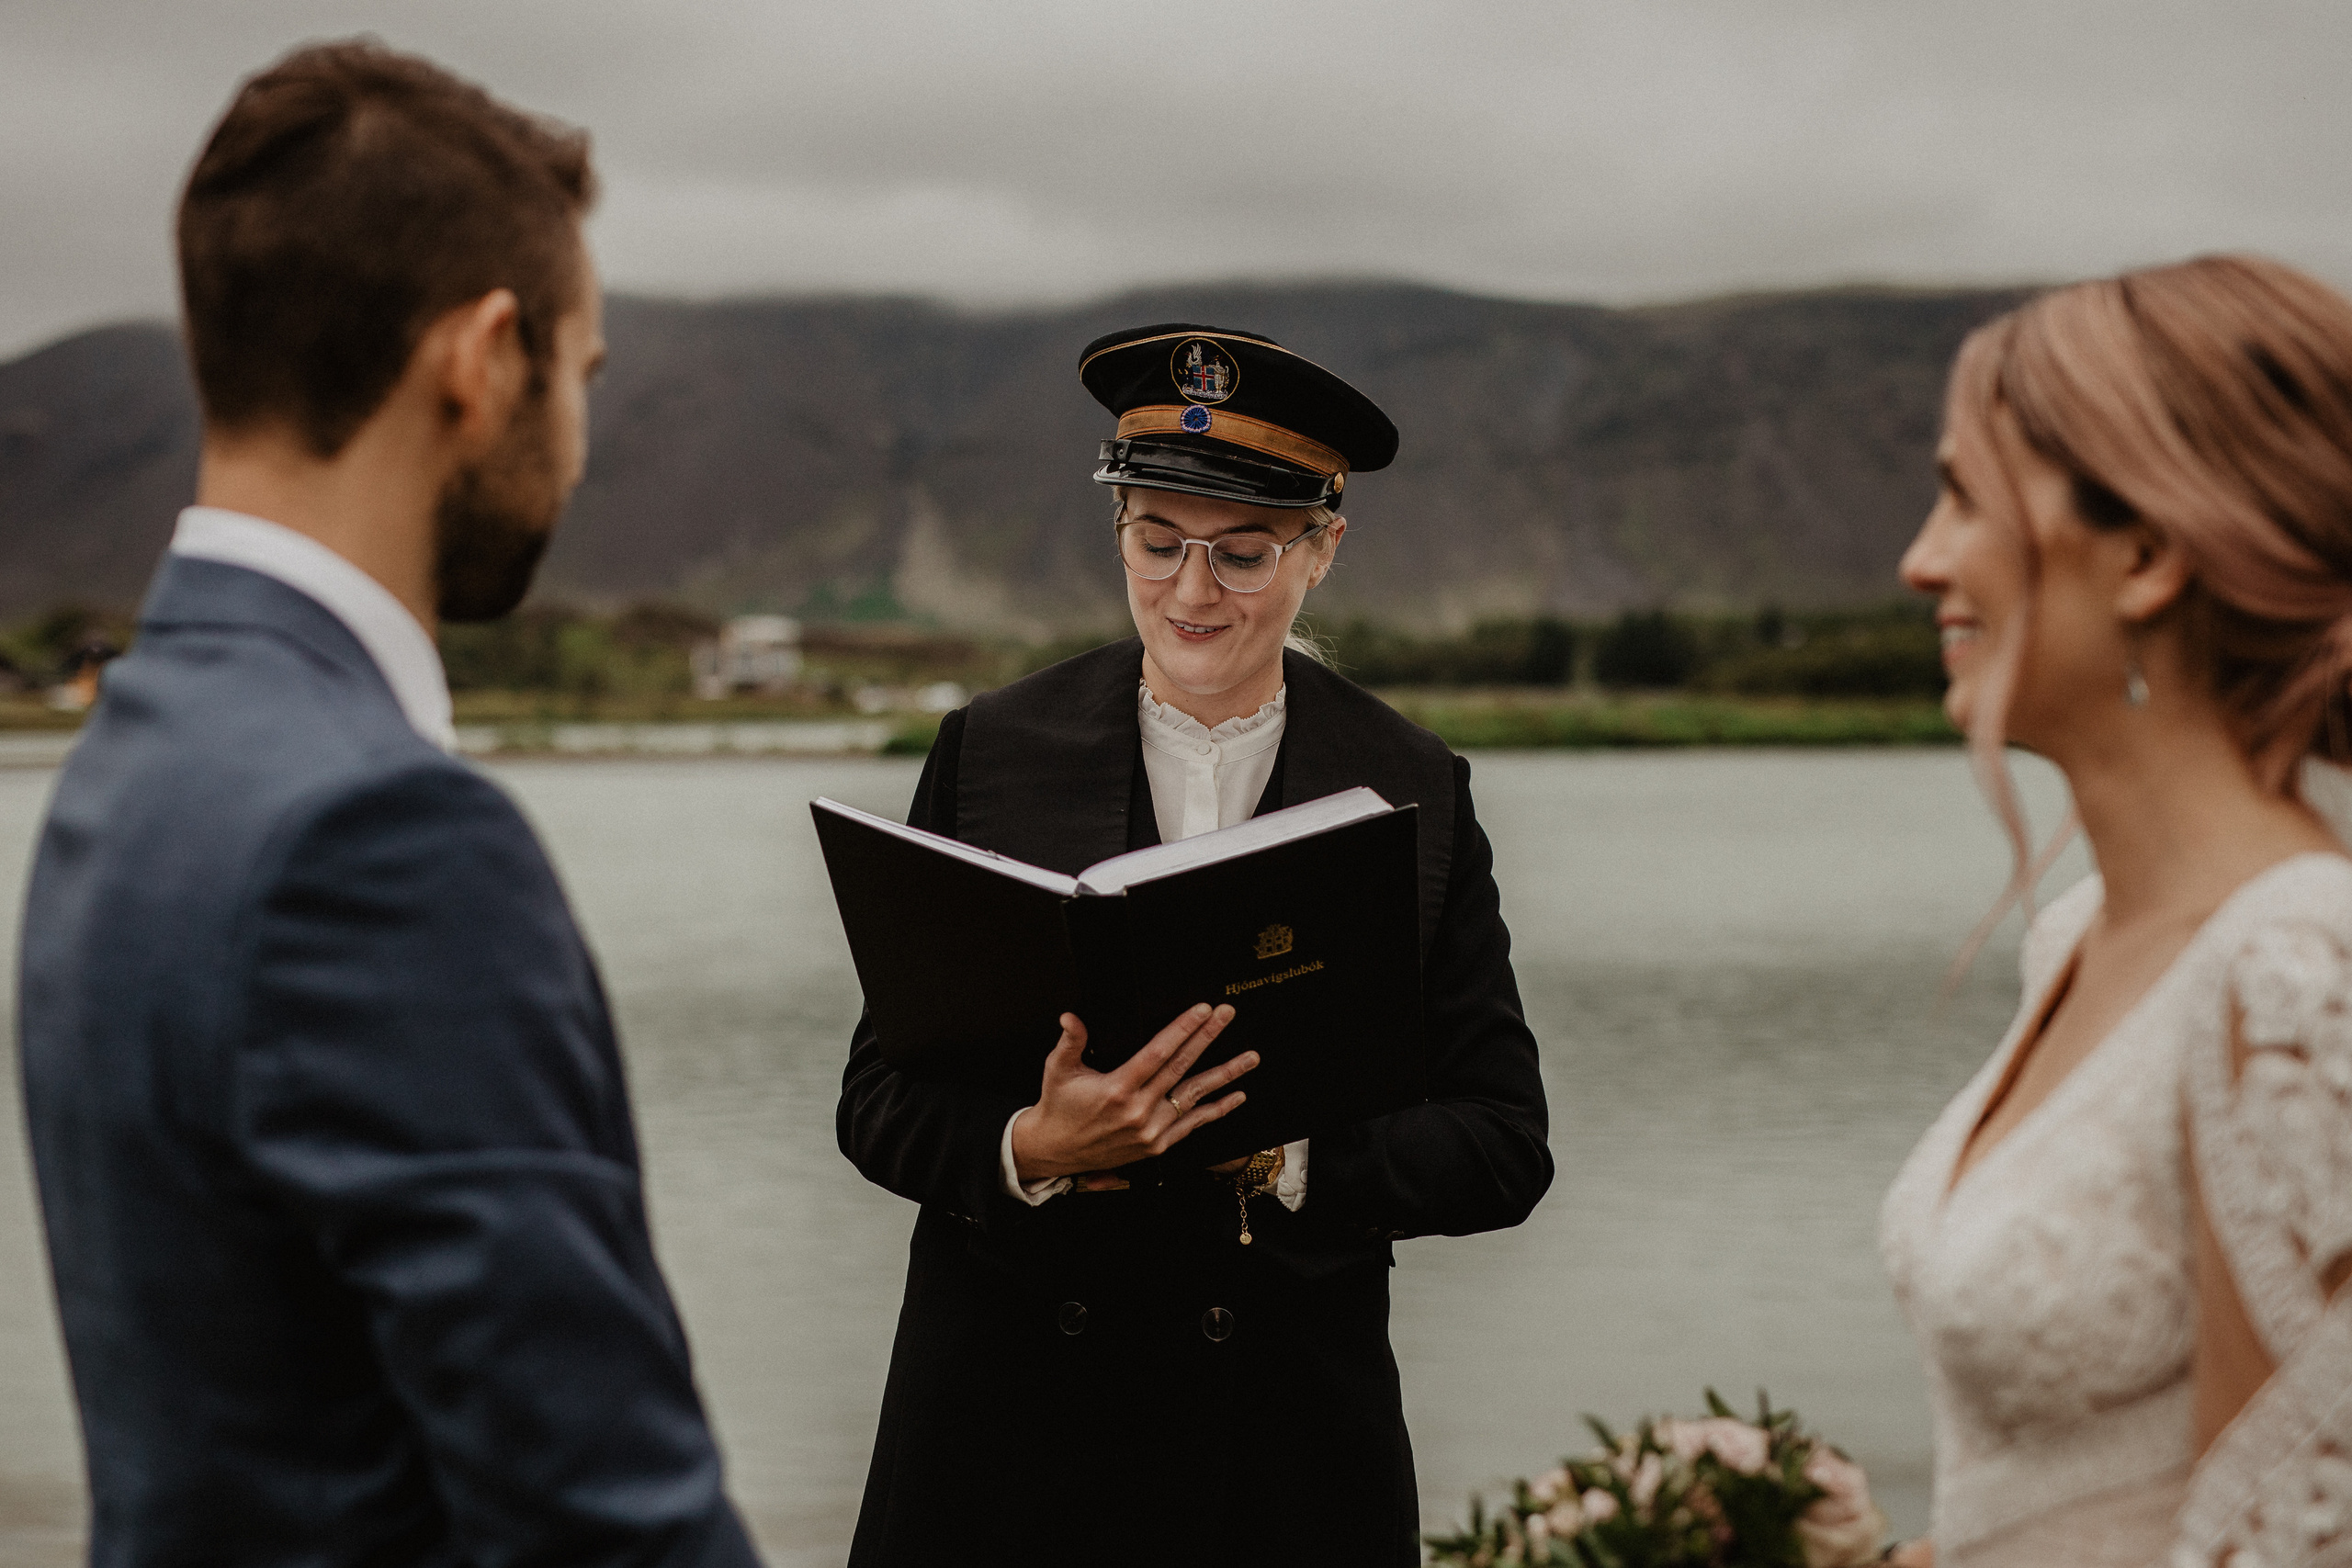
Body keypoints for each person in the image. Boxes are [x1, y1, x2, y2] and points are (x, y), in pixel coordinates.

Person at [17, 42, 762, 1568]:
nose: (575, 441)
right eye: (580, 374)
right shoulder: (380, 838)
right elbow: (606, 1521)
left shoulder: (134, 761)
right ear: (482, 360)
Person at [835, 323, 1554, 1566]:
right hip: (1004, 1447)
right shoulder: (988, 752)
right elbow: (877, 1099)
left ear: (1323, 548)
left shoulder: (1413, 791)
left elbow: (1502, 1148)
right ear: (1117, 532)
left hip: (1281, 1461)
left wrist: (1285, 1156)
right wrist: (1030, 1147)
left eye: (1242, 552)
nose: (1191, 591)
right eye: (1156, 542)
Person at [1878, 255, 2352, 1568]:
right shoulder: (2077, 938)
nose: (1922, 564)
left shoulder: (2295, 964)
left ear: (2144, 555)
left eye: (1964, 499)